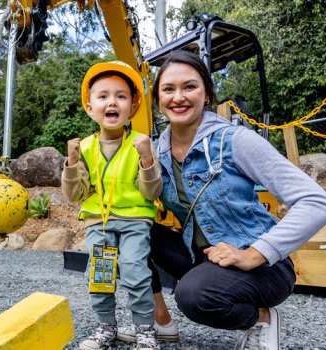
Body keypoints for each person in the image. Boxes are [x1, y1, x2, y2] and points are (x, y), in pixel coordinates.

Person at [133, 50, 326, 350]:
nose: (178, 97)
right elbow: (139, 197)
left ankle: (262, 318)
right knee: (129, 231)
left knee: (193, 296)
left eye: (190, 87)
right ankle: (160, 321)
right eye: (168, 89)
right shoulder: (157, 153)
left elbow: (316, 201)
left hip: (262, 268)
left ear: (207, 94)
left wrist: (254, 253)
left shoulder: (235, 141)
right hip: (206, 257)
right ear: (157, 100)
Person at [62, 61, 163, 350]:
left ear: (132, 107)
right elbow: (75, 194)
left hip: (134, 221)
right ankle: (107, 327)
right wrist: (70, 162)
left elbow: (152, 190)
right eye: (103, 96)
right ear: (89, 107)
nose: (112, 102)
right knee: (101, 275)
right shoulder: (85, 148)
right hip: (100, 222)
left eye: (121, 96)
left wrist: (147, 159)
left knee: (134, 270)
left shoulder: (141, 144)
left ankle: (144, 330)